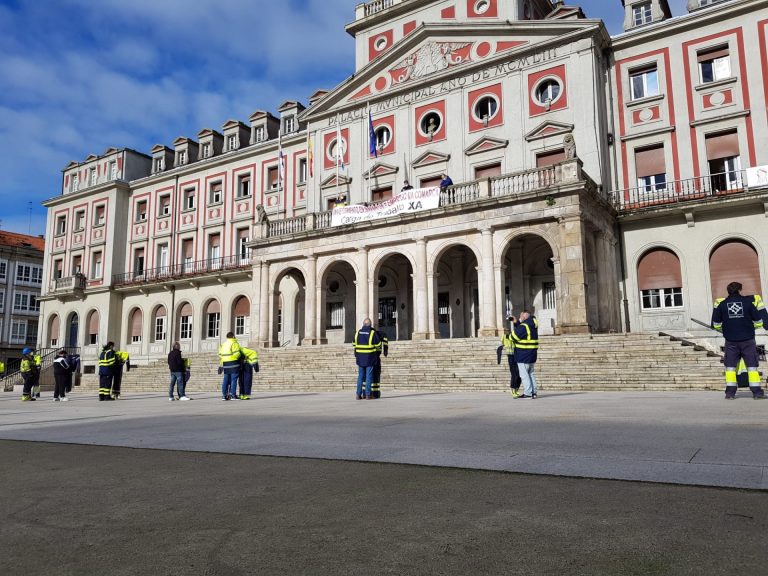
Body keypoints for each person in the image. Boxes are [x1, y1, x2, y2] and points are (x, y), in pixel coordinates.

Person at [711, 281, 768, 399]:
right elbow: (759, 322)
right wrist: (750, 327)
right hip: (748, 340)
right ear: (740, 290)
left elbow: (715, 324)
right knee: (752, 367)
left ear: (728, 291)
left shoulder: (721, 305)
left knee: (730, 367)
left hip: (731, 341)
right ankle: (757, 393)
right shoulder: (748, 303)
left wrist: (726, 329)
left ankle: (730, 393)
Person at [510, 311, 539, 399]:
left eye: (521, 315)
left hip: (523, 354)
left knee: (524, 375)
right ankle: (533, 392)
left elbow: (513, 336)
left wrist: (518, 324)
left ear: (525, 315)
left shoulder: (524, 326)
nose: (520, 317)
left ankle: (528, 393)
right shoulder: (532, 324)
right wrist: (517, 323)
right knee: (531, 374)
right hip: (531, 354)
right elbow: (524, 334)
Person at [353, 318, 381, 400]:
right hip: (370, 358)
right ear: (370, 325)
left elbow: (354, 344)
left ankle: (358, 394)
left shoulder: (358, 333)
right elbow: (378, 344)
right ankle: (368, 394)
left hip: (360, 358)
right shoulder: (372, 333)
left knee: (360, 376)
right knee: (369, 376)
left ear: (363, 324)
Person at [218, 332, 242, 400]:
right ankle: (232, 395)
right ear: (233, 336)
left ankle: (224, 395)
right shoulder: (234, 343)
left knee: (225, 380)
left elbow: (220, 354)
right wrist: (241, 357)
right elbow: (236, 353)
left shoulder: (223, 344)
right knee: (234, 379)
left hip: (225, 363)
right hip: (233, 363)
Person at [501, 321, 522, 398]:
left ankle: (516, 388)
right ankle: (513, 389)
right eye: (506, 330)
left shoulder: (515, 336)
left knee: (520, 374)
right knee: (514, 374)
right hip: (510, 356)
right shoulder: (505, 337)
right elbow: (502, 343)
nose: (507, 331)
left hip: (517, 355)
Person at [371, 327, 389, 399]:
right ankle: (376, 393)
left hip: (368, 357)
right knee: (376, 375)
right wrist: (385, 351)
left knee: (367, 376)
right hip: (375, 357)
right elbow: (385, 342)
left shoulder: (367, 334)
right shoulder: (381, 334)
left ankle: (366, 392)